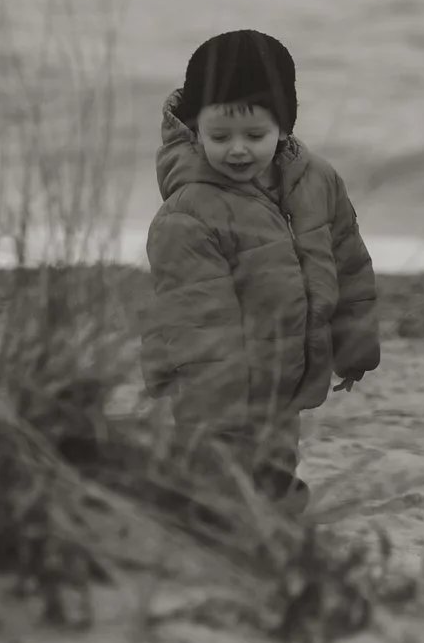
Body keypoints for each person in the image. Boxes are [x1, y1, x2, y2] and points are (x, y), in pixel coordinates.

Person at [143, 29, 382, 513]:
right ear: (194, 129)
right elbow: (195, 321)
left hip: (283, 384)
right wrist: (216, 407)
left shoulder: (316, 181)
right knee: (219, 492)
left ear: (284, 127)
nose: (237, 150)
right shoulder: (190, 211)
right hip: (214, 399)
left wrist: (354, 346)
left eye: (255, 135)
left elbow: (348, 263)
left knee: (275, 477)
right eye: (219, 136)